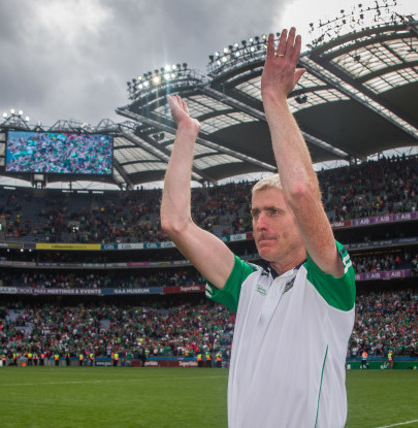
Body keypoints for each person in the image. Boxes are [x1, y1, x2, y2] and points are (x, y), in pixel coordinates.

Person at [161, 27, 356, 428]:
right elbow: (175, 222)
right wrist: (186, 134)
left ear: (301, 222)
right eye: (255, 214)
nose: (260, 223)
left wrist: (274, 98)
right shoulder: (248, 286)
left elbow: (301, 190)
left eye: (273, 212)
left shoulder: (328, 284)